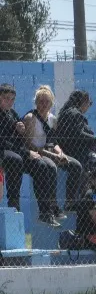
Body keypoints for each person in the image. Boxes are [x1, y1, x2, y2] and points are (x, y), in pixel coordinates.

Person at [1, 83, 60, 226]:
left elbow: (19, 139)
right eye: (6, 98)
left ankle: (45, 212)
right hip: (4, 151)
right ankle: (14, 203)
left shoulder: (12, 114)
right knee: (16, 160)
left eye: (12, 99)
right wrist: (27, 152)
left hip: (17, 151)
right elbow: (3, 142)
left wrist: (20, 130)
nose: (9, 102)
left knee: (40, 165)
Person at [23, 85, 82, 219]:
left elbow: (54, 142)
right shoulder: (31, 118)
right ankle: (52, 205)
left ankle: (70, 202)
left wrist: (60, 153)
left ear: (52, 103)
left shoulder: (53, 119)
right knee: (50, 166)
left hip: (51, 152)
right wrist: (53, 155)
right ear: (36, 102)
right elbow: (28, 144)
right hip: (37, 153)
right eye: (40, 101)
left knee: (76, 166)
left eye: (47, 102)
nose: (43, 105)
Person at [51, 90, 96, 200]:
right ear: (84, 102)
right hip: (76, 152)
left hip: (69, 150)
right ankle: (93, 198)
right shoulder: (76, 114)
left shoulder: (66, 112)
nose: (89, 106)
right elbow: (79, 134)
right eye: (89, 103)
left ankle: (89, 195)